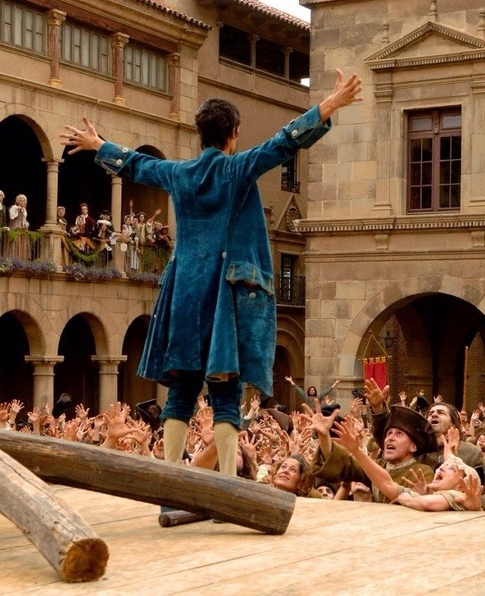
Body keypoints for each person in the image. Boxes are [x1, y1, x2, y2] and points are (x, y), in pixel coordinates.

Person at [60, 69, 363, 477]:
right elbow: (283, 142)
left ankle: (170, 476)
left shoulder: (180, 173)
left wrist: (99, 145)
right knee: (225, 393)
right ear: (233, 133)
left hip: (183, 293)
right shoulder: (236, 169)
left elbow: (137, 165)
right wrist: (328, 105)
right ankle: (226, 481)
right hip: (223, 296)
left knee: (181, 391)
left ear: (199, 134)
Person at [333, 416, 483, 511]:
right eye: (388, 434)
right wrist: (356, 451)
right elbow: (387, 484)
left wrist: (409, 500)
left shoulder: (457, 495)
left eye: (398, 434)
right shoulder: (430, 493)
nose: (441, 468)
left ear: (461, 486)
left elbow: (427, 503)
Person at [309, 403, 437, 503]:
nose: (390, 438)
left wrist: (357, 450)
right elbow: (344, 465)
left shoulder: (423, 471)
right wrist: (324, 436)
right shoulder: (379, 464)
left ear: (413, 447)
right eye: (388, 433)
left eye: (399, 434)